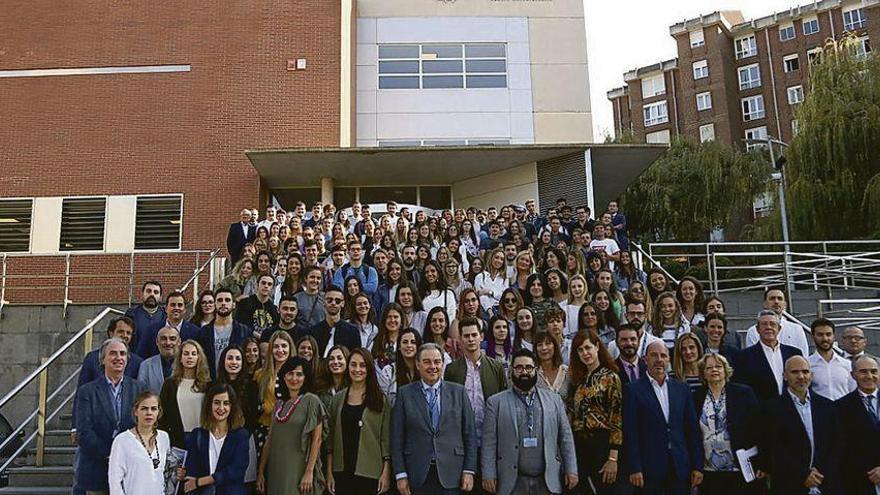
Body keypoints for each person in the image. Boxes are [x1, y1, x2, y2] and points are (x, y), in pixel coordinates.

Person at [481, 349, 578, 495]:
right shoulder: (495, 403)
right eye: (519, 367)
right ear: (511, 371)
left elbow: (565, 437)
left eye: (528, 367)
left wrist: (571, 469)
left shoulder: (554, 400)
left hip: (547, 481)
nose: (524, 372)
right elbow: (488, 443)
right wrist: (488, 473)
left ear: (536, 370)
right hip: (512, 482)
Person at [391, 343, 477, 495]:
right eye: (427, 362)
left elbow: (470, 435)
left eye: (437, 362)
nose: (433, 366)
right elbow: (397, 438)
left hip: (452, 474)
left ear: (443, 364)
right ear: (418, 365)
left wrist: (469, 470)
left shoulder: (458, 392)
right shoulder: (405, 394)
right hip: (416, 475)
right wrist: (400, 474)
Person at [623, 341, 703, 495]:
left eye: (663, 355)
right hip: (648, 468)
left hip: (680, 466)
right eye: (654, 355)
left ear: (668, 360)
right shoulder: (633, 390)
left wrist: (697, 466)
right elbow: (630, 432)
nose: (659, 359)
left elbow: (692, 430)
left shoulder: (682, 389)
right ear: (645, 360)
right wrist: (635, 467)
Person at [760, 355, 842, 495]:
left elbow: (836, 444)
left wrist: (819, 473)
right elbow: (773, 448)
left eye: (805, 372)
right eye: (795, 372)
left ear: (811, 375)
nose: (801, 376)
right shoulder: (771, 409)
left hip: (825, 484)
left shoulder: (828, 406)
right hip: (789, 486)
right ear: (785, 376)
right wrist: (803, 475)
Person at [74, 338, 148, 494]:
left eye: (122, 354)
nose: (118, 358)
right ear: (103, 360)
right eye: (113, 353)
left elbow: (144, 425)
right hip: (97, 469)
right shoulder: (87, 391)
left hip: (130, 470)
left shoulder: (139, 389)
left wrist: (126, 455)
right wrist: (111, 455)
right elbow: (84, 431)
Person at [692, 354, 764, 495]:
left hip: (740, 467)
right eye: (709, 368)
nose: (714, 370)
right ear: (703, 374)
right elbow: (692, 434)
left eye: (718, 366)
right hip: (709, 470)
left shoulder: (743, 393)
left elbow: (759, 429)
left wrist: (762, 462)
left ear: (726, 370)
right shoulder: (696, 397)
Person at [326, 349, 393, 495]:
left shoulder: (380, 400)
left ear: (369, 369)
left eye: (362, 365)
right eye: (353, 365)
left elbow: (385, 440)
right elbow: (330, 441)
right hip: (341, 471)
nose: (357, 369)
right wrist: (329, 472)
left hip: (370, 472)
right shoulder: (337, 399)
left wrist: (386, 472)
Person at [257, 357, 327, 495]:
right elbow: (269, 440)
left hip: (298, 470)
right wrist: (260, 471)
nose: (294, 378)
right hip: (276, 470)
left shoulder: (311, 400)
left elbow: (317, 440)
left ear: (305, 378)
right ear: (283, 376)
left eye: (299, 374)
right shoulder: (278, 405)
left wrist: (309, 471)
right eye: (290, 373)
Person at [444, 317, 508, 462]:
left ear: (482, 337)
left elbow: (503, 402)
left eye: (474, 335)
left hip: (490, 439)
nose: (471, 339)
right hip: (462, 440)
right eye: (466, 336)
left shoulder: (496, 367)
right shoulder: (451, 370)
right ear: (460, 339)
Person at [567, 331, 623, 495]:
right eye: (580, 350)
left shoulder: (610, 377)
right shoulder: (578, 381)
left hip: (602, 444)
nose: (585, 353)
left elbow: (616, 417)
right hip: (580, 446)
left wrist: (613, 458)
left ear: (597, 346)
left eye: (587, 348)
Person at [182, 383, 250, 494]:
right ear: (209, 405)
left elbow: (236, 471)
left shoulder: (241, 435)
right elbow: (191, 472)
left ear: (232, 407)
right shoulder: (197, 435)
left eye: (226, 403)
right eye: (217, 403)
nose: (221, 408)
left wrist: (200, 481)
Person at [108, 391, 171, 495]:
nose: (149, 413)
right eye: (144, 408)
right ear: (136, 411)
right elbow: (114, 481)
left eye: (153, 409)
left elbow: (165, 473)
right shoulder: (122, 441)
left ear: (158, 412)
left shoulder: (164, 438)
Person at [732, 310, 803, 402]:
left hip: (791, 409)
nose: (768, 327)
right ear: (757, 329)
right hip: (760, 410)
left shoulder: (794, 353)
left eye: (772, 324)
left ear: (779, 328)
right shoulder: (744, 356)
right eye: (764, 324)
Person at [836, 355, 880, 495]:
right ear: (853, 375)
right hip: (859, 482)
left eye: (874, 371)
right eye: (863, 371)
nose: (869, 376)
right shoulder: (840, 407)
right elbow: (842, 447)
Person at [159, 339, 211, 447]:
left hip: (203, 437)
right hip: (177, 438)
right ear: (180, 358)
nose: (190, 357)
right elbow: (162, 414)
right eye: (186, 354)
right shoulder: (170, 384)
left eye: (193, 354)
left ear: (199, 358)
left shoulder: (208, 384)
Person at [253, 330, 295, 456]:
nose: (280, 350)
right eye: (276, 346)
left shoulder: (298, 374)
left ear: (290, 348)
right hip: (265, 429)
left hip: (290, 431)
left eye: (284, 346)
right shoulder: (260, 375)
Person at [201, 288, 253, 378]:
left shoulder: (244, 332)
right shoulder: (203, 333)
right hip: (210, 384)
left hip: (235, 384)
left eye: (227, 300)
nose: (223, 303)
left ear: (233, 305)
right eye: (220, 300)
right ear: (214, 304)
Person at [744, 288, 810, 356]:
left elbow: (803, 356)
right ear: (765, 304)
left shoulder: (797, 329)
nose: (776, 302)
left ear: (785, 304)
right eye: (772, 298)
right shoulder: (753, 331)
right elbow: (753, 357)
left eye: (780, 298)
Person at [214, 345, 260, 432]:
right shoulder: (213, 386)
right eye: (230, 358)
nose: (234, 362)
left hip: (243, 435)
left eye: (238, 359)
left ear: (243, 362)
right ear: (223, 361)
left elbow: (253, 417)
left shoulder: (252, 386)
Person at [307, 285, 361, 358]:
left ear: (343, 304)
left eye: (337, 301)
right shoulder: (313, 331)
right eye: (329, 300)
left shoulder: (353, 331)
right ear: (323, 302)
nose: (333, 303)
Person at [808, 318, 855, 400]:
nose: (825, 338)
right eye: (820, 335)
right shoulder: (808, 364)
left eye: (828, 334)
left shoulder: (847, 364)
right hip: (819, 411)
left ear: (834, 336)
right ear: (813, 337)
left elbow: (853, 391)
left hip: (844, 410)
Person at [377, 327, 422, 406]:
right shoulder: (388, 371)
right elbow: (384, 402)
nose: (409, 345)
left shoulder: (425, 370)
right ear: (399, 347)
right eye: (405, 342)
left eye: (413, 342)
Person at [125, 280, 166, 355]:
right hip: (137, 359)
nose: (152, 294)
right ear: (142, 294)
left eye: (156, 292)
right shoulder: (131, 315)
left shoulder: (166, 315)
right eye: (148, 291)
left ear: (160, 297)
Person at [234, 273, 280, 340]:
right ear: (257, 285)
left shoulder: (274, 309)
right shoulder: (245, 303)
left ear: (272, 288)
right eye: (263, 283)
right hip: (247, 341)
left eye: (269, 284)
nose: (266, 286)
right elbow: (240, 324)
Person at [137, 326, 180, 394]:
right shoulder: (146, 365)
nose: (168, 343)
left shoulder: (186, 364)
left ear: (179, 342)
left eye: (172, 339)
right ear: (157, 341)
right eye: (163, 338)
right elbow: (141, 393)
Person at [534, 332, 569, 398]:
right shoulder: (533, 373)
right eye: (539, 345)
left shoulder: (567, 371)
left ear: (555, 346)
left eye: (548, 343)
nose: (544, 348)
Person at [316, 345, 350, 409]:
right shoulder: (320, 387)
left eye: (339, 358)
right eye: (331, 359)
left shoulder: (351, 387)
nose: (335, 362)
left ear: (347, 361)